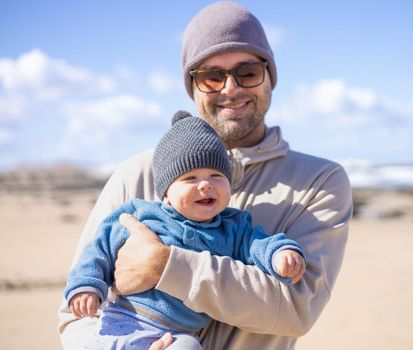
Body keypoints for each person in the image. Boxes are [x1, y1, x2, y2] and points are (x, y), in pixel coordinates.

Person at [58, 1, 353, 349]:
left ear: (269, 76)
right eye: (212, 76)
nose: (230, 88)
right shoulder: (135, 174)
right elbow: (75, 314)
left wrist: (164, 265)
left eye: (247, 72)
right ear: (192, 86)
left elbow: (296, 309)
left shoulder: (319, 181)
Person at [63, 112, 305, 349]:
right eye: (190, 178)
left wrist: (280, 254)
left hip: (177, 335)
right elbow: (99, 249)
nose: (206, 184)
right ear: (166, 193)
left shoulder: (234, 226)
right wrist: (87, 286)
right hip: (123, 321)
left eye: (216, 175)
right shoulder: (142, 214)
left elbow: (259, 244)